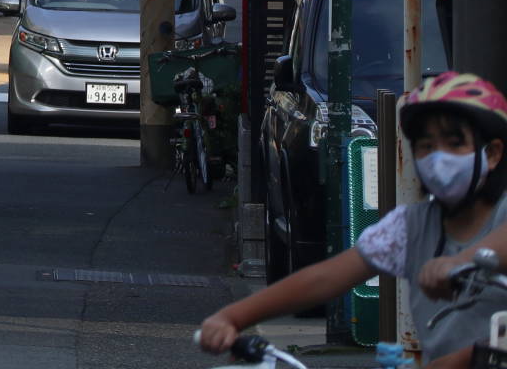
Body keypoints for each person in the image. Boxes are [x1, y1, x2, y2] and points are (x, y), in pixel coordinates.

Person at [197, 72, 507, 369]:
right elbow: (324, 278)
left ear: (492, 154)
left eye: (455, 144)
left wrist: (462, 261)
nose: (439, 158)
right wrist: (233, 317)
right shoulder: (411, 226)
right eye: (426, 146)